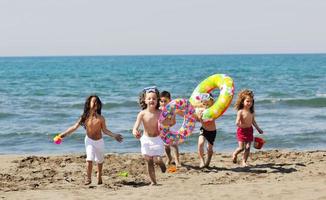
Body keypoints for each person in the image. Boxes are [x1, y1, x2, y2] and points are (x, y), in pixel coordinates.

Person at [58, 95, 123, 185]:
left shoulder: (101, 118)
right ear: (88, 104)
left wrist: (114, 135)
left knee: (100, 161)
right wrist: (63, 134)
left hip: (99, 141)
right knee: (89, 159)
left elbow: (105, 130)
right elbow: (74, 127)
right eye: (94, 101)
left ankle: (99, 175)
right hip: (89, 140)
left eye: (97, 102)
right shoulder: (84, 117)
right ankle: (88, 178)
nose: (96, 103)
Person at [132, 86, 166, 185]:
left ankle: (161, 163)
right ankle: (153, 181)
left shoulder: (160, 113)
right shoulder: (142, 114)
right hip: (146, 139)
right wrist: (135, 132)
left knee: (157, 159)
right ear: (145, 100)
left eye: (154, 98)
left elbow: (168, 123)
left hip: (157, 139)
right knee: (149, 161)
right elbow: (135, 127)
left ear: (157, 100)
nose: (152, 100)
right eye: (149, 98)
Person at [232, 89, 263, 167]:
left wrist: (258, 129)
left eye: (251, 101)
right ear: (243, 102)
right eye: (247, 101)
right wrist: (240, 125)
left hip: (249, 130)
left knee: (248, 147)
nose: (250, 103)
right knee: (241, 148)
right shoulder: (240, 112)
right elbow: (237, 122)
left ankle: (244, 162)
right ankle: (235, 154)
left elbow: (253, 121)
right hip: (241, 131)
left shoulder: (251, 112)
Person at [159, 90, 181, 168]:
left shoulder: (172, 109)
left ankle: (177, 161)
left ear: (170, 101)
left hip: (171, 128)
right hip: (163, 130)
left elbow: (174, 121)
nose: (163, 103)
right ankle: (169, 158)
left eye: (165, 101)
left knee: (174, 145)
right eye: (161, 101)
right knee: (166, 146)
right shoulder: (159, 110)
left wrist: (170, 125)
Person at [196, 93, 217, 168]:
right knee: (200, 143)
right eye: (204, 103)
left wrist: (202, 119)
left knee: (209, 148)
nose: (205, 105)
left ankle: (208, 161)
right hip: (204, 129)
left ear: (211, 102)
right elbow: (201, 122)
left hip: (212, 131)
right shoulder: (201, 111)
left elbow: (210, 120)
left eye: (207, 103)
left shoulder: (213, 110)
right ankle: (202, 160)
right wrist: (200, 118)